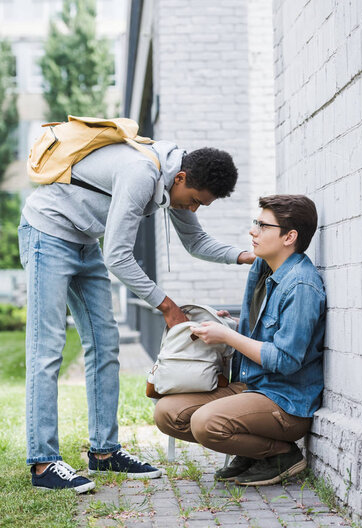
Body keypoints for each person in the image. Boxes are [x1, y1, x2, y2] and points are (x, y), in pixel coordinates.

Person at [18, 139, 255, 492]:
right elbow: (118, 256)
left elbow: (195, 243)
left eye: (201, 205)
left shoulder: (175, 180)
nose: (193, 209)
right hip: (48, 234)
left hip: (84, 242)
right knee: (47, 348)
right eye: (194, 200)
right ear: (182, 178)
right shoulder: (141, 173)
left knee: (105, 344)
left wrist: (247, 256)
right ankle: (43, 463)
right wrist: (167, 306)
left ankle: (104, 452)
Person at [154, 194, 326, 486]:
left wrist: (228, 336)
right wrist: (226, 325)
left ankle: (281, 455)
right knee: (167, 414)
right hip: (249, 387)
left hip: (284, 401)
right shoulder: (262, 268)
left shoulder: (301, 285)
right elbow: (261, 332)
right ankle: (254, 453)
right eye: (254, 222)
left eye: (262, 225)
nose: (253, 231)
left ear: (290, 236)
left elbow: (285, 360)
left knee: (206, 423)